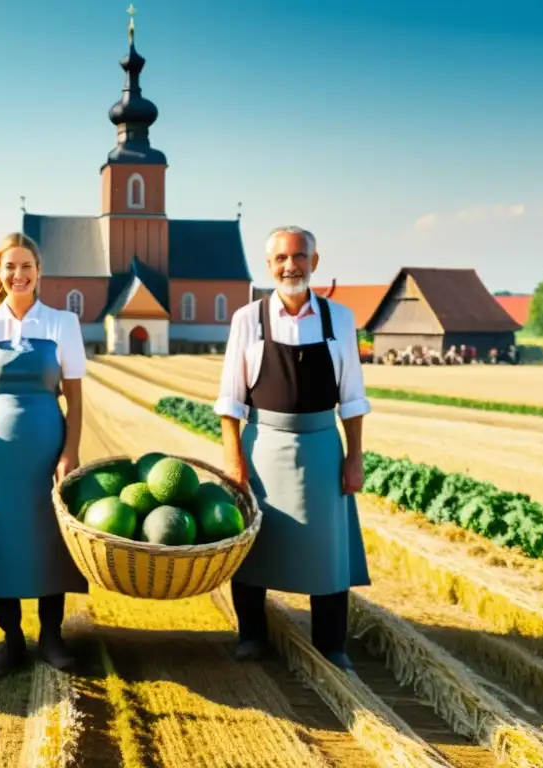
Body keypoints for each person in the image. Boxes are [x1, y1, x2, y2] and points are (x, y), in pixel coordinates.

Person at [215, 225, 371, 671]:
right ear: (269, 266)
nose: (290, 266)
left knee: (329, 548)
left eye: (299, 257)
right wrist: (234, 460)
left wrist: (354, 456)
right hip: (263, 447)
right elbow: (231, 400)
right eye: (281, 258)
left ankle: (331, 643)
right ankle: (251, 636)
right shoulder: (248, 319)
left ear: (314, 262)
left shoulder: (339, 318)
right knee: (255, 545)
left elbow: (353, 398)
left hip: (323, 446)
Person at [0, 231, 88, 677]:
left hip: (46, 450)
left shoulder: (62, 323)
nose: (18, 274)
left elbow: (75, 397)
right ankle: (11, 640)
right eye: (9, 267)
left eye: (26, 266)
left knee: (51, 541)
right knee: (1, 544)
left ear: (39, 272)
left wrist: (70, 452)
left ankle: (52, 637)